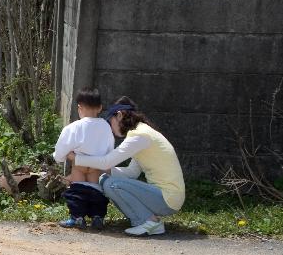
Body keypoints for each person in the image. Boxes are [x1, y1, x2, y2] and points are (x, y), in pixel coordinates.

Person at [74, 97, 186, 236]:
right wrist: (104, 171)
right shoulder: (143, 133)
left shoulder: (140, 136)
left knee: (111, 184)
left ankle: (149, 222)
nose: (111, 129)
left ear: (119, 115)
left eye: (111, 122)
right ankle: (148, 221)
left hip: (167, 198)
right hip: (168, 198)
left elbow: (107, 161)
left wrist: (76, 158)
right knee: (106, 180)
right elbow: (132, 172)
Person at [53, 87, 114, 229]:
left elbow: (62, 147)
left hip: (78, 167)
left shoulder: (74, 127)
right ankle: (97, 217)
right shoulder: (106, 126)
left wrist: (59, 157)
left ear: (79, 107)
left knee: (76, 193)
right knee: (96, 192)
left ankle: (77, 217)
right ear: (100, 108)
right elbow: (109, 149)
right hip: (96, 167)